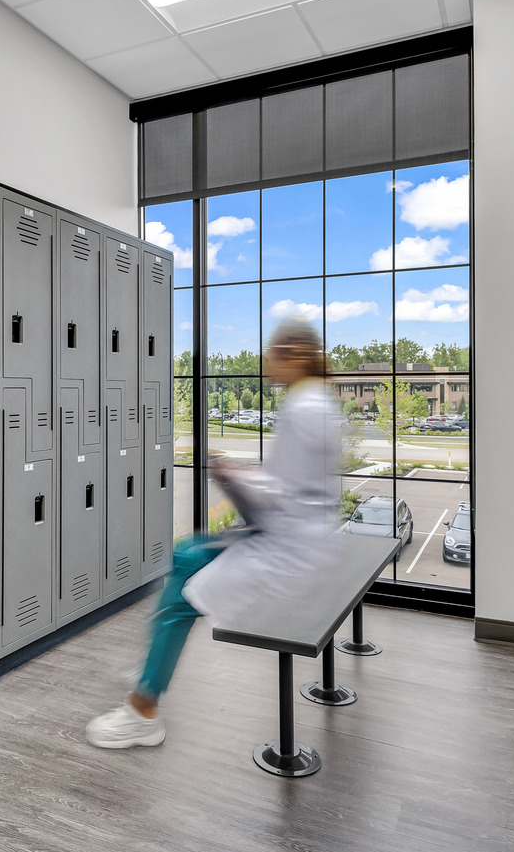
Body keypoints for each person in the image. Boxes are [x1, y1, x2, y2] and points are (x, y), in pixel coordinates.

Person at [86, 317, 346, 749]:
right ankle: (153, 668)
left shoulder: (304, 408)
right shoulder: (313, 400)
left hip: (289, 549)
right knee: (187, 556)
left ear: (291, 356)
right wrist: (246, 477)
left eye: (270, 355)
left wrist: (233, 474)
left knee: (181, 597)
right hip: (292, 535)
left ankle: (143, 709)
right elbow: (294, 486)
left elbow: (281, 495)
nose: (264, 364)